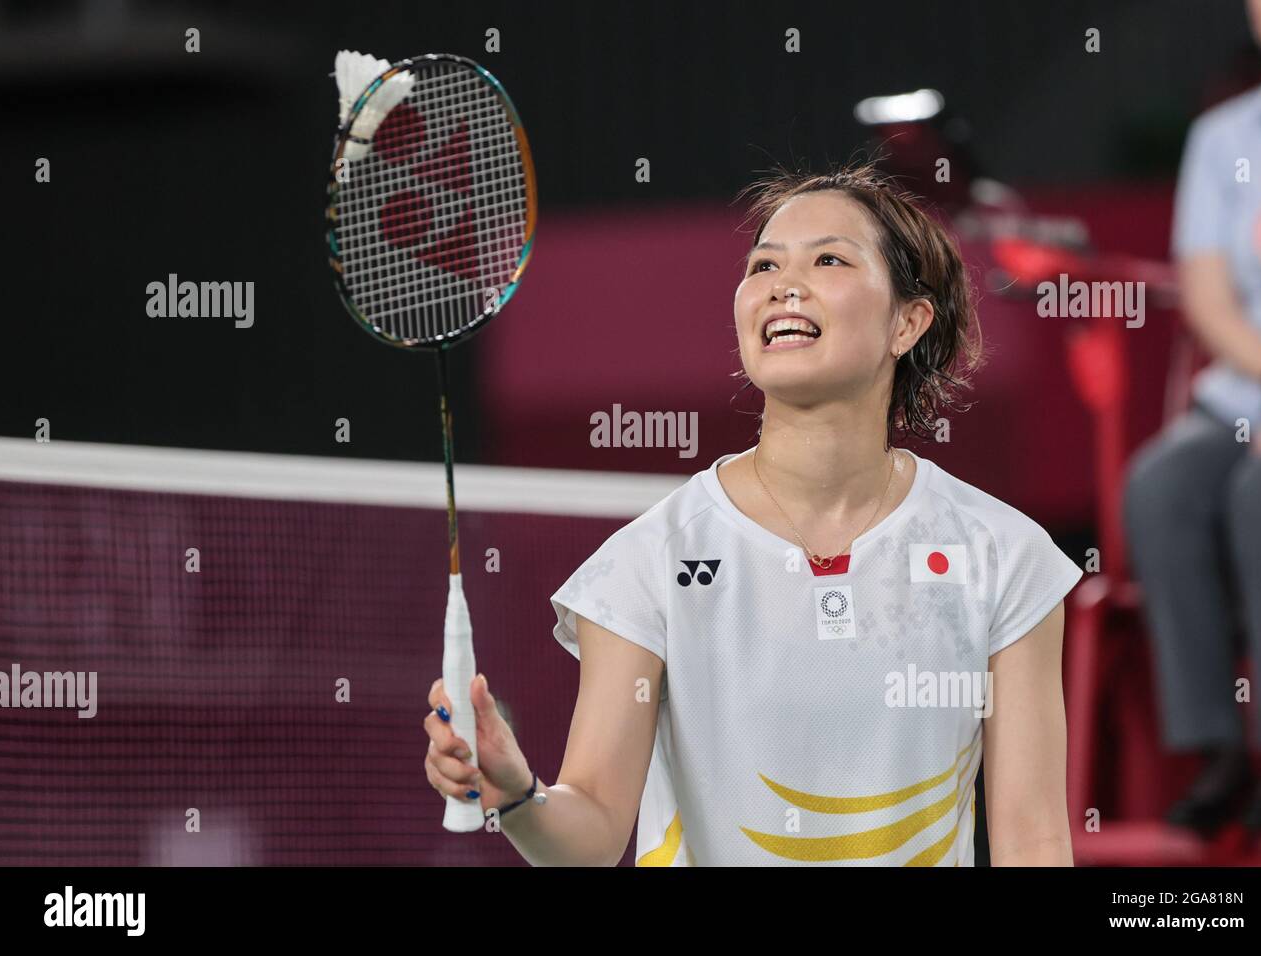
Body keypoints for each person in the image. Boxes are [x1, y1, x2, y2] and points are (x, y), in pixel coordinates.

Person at [423, 161, 1084, 865]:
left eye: (828, 258)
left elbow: (1034, 839)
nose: (782, 284)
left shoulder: (1002, 556)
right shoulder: (649, 560)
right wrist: (520, 793)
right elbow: (590, 832)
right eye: (763, 264)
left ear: (908, 322)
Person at [1122, 0, 1261, 837]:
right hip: (1255, 388)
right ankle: (1214, 749)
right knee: (1161, 484)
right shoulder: (1223, 138)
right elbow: (1209, 294)